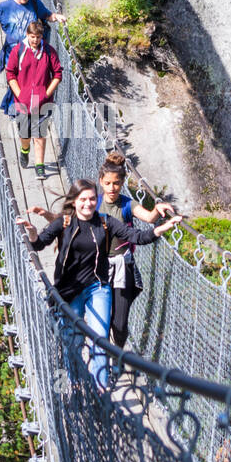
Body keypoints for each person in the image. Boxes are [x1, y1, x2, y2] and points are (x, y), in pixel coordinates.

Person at [18, 180, 181, 390]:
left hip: (98, 287)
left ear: (97, 200)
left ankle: (100, 389)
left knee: (100, 338)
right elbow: (38, 244)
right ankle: (75, 382)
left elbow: (136, 237)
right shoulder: (64, 222)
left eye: (92, 199)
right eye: (83, 199)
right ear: (74, 201)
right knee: (72, 338)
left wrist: (160, 229)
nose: (88, 204)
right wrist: (31, 231)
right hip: (70, 289)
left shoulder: (106, 222)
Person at [97, 151, 176, 347]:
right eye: (107, 183)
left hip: (123, 266)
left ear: (122, 183)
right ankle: (104, 362)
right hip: (98, 267)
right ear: (100, 182)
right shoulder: (93, 203)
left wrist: (158, 209)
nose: (112, 188)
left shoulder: (126, 204)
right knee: (102, 322)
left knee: (120, 323)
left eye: (116, 183)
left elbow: (148, 218)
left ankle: (117, 355)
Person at [7, 21, 62, 179]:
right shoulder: (18, 50)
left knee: (39, 134)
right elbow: (10, 73)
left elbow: (58, 74)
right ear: (27, 35)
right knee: (25, 134)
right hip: (23, 101)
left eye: (38, 37)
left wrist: (46, 93)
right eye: (32, 37)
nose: (35, 40)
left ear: (42, 36)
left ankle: (40, 165)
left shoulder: (49, 52)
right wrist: (20, 94)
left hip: (42, 101)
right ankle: (25, 150)